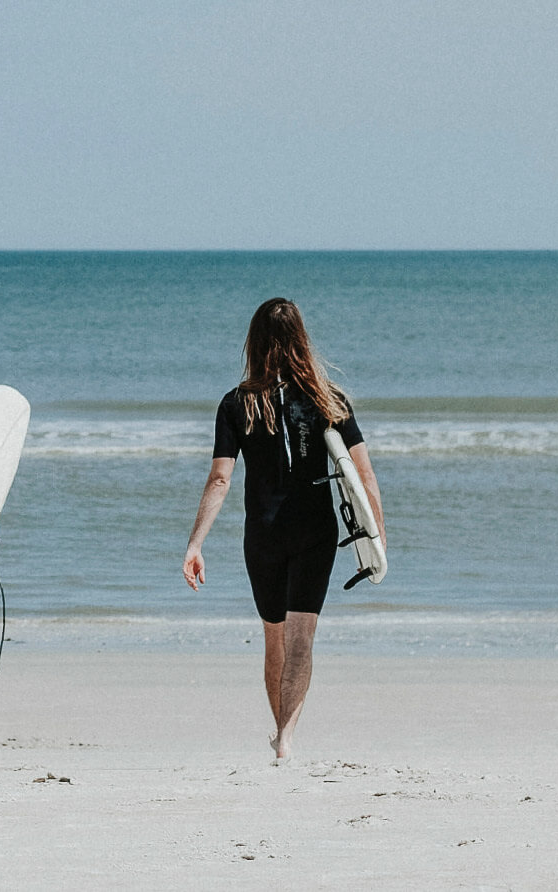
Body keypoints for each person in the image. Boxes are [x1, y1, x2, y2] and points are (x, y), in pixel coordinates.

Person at [182, 298, 386, 761]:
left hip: (264, 534)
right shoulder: (329, 399)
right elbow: (364, 474)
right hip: (315, 532)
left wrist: (196, 543)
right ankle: (286, 740)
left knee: (274, 635)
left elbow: (220, 479)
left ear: (253, 342)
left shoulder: (236, 404)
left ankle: (280, 736)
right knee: (301, 638)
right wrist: (378, 537)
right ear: (301, 339)